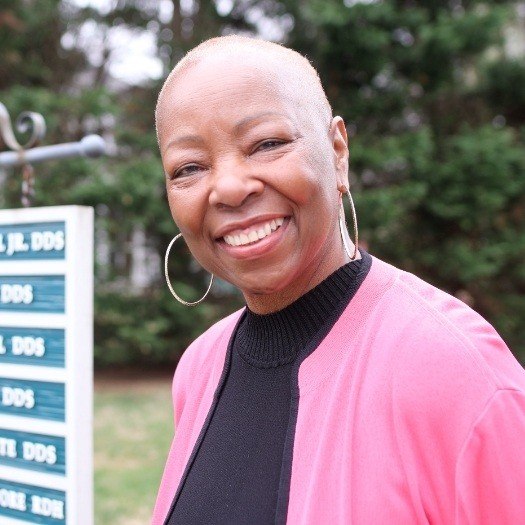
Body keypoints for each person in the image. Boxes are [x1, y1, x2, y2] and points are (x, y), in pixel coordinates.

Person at [151, 35, 525, 525]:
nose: (229, 187)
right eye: (190, 168)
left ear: (337, 151)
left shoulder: (456, 371)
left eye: (267, 144)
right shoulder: (199, 368)